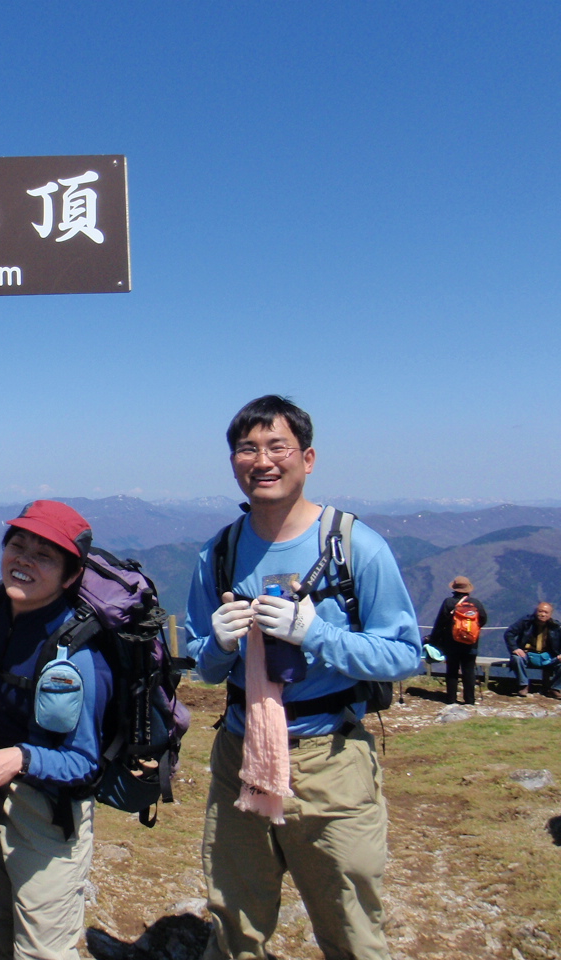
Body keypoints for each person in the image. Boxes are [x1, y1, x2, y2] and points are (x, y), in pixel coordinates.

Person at [186, 395, 422, 960]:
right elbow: (202, 663)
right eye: (247, 449)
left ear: (307, 458)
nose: (261, 460)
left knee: (351, 927)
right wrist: (216, 643)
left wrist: (316, 634)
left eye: (277, 447)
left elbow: (405, 654)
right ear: (234, 462)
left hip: (331, 758)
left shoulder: (352, 545)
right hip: (240, 752)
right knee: (235, 919)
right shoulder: (218, 553)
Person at [0, 500, 113, 960]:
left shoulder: (76, 650)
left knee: (42, 949)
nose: (23, 560)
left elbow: (84, 762)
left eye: (44, 555)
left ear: (70, 575)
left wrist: (19, 757)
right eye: (17, 545)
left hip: (47, 813)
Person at [429, 576, 488, 705]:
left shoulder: (448, 602)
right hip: (471, 644)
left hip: (452, 643)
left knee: (452, 670)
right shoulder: (476, 603)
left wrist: (433, 639)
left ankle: (451, 699)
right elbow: (483, 619)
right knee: (469, 670)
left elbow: (440, 622)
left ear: (454, 588)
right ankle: (470, 700)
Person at [504, 602, 561, 698]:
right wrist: (515, 648)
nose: (543, 614)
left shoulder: (556, 627)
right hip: (528, 655)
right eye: (540, 611)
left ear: (550, 614)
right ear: (535, 611)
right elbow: (509, 633)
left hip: (548, 657)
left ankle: (554, 689)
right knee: (516, 658)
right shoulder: (526, 622)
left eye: (546, 612)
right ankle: (524, 685)